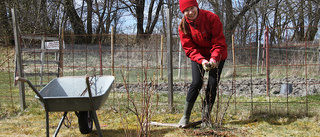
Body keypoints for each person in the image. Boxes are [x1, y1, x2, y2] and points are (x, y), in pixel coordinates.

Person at [178, 0, 228, 127]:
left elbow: (218, 42)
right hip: (199, 56)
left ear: (197, 6)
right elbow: (189, 48)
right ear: (183, 12)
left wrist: (213, 59)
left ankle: (206, 118)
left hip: (217, 54)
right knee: (196, 82)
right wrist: (202, 60)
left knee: (212, 84)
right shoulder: (183, 26)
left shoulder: (211, 18)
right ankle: (185, 116)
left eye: (192, 8)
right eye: (186, 10)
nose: (190, 12)